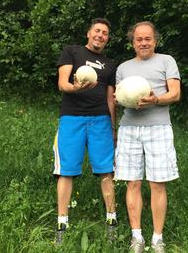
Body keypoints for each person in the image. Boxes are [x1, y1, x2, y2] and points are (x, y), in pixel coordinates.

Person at [114, 21, 181, 253]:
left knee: (157, 183)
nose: (143, 43)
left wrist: (155, 100)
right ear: (133, 42)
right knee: (132, 182)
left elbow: (175, 94)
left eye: (148, 39)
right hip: (129, 128)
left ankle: (157, 239)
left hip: (158, 127)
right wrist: (120, 99)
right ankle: (137, 238)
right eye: (139, 39)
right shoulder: (123, 68)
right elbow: (119, 95)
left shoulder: (167, 61)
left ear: (155, 40)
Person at [52, 18, 117, 244]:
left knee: (106, 170)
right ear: (89, 33)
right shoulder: (73, 52)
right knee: (66, 170)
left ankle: (111, 219)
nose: (100, 35)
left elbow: (111, 98)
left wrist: (112, 126)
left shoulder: (110, 64)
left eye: (105, 33)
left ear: (107, 38)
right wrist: (76, 87)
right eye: (97, 31)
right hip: (72, 118)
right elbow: (63, 84)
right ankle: (62, 221)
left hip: (100, 120)